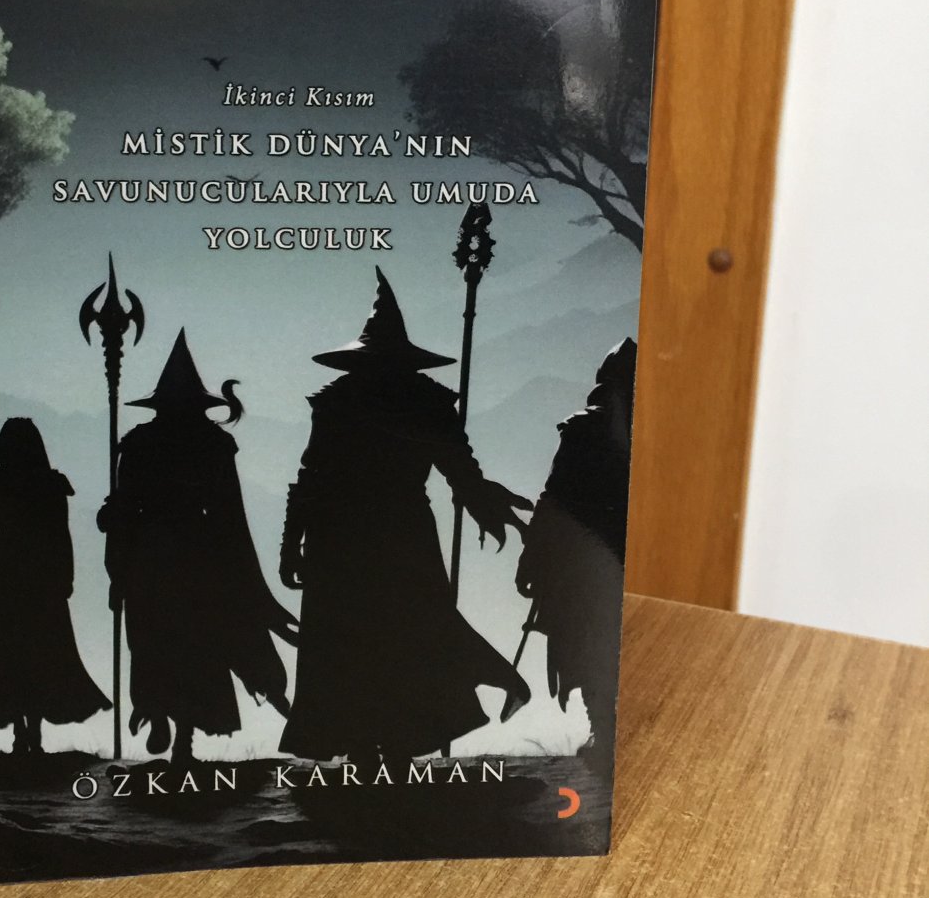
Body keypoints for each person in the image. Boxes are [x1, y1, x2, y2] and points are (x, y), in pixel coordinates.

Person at [280, 268, 532, 764]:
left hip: (354, 537)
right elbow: (460, 471)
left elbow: (312, 478)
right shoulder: (413, 401)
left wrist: (293, 543)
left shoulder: (350, 401)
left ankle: (383, 743)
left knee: (381, 633)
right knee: (401, 630)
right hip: (388, 535)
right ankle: (379, 743)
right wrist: (292, 543)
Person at [99, 331, 296, 766]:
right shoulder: (212, 444)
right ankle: (179, 732)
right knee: (195, 645)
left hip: (151, 557)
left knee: (154, 641)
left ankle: (161, 715)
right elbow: (230, 515)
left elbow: (124, 509)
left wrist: (116, 561)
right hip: (199, 558)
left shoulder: (139, 443)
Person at [515, 338, 637, 774]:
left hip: (586, 560)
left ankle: (604, 730)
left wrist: (532, 559)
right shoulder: (651, 430)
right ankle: (609, 730)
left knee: (588, 644)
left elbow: (553, 499)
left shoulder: (583, 431)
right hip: (614, 556)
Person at [0, 417, 110, 754]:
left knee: (9, 652)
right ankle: (32, 731)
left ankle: (21, 732)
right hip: (41, 574)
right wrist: (66, 576)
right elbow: (61, 534)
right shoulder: (51, 484)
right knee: (40, 651)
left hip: (5, 574)